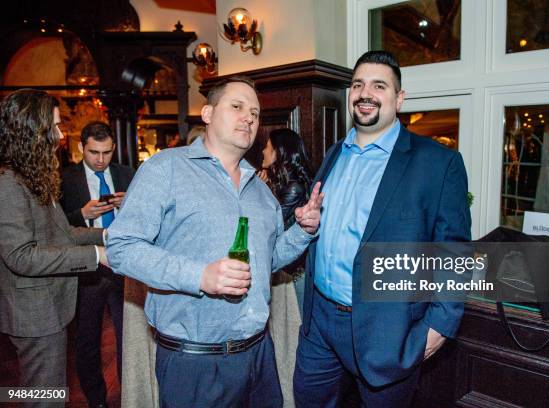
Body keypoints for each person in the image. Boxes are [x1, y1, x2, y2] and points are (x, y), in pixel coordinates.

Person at [106, 76, 323, 407]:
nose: (248, 117)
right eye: (237, 107)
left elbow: (269, 259)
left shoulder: (260, 189)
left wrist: (302, 232)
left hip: (259, 355)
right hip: (194, 363)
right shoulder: (166, 169)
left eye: (254, 112)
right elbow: (121, 248)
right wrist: (200, 276)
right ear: (207, 113)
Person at [293, 51, 471, 407]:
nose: (365, 93)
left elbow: (456, 253)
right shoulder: (334, 154)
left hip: (388, 329)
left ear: (398, 99)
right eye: (358, 84)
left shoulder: (438, 163)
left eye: (379, 85)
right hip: (320, 324)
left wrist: (437, 328)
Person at [0, 89, 107, 397]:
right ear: (32, 130)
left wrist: (106, 236)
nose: (61, 135)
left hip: (49, 307)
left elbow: (62, 233)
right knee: (43, 396)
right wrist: (95, 255)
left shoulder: (32, 176)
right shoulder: (9, 183)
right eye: (56, 127)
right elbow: (22, 257)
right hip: (33, 313)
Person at [60, 121, 134, 408]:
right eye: (93, 152)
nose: (100, 160)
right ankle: (97, 401)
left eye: (106, 152)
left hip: (122, 266)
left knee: (128, 337)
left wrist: (129, 204)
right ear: (81, 148)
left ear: (113, 148)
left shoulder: (127, 175)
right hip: (86, 269)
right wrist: (81, 213)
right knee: (87, 341)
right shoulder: (64, 179)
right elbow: (53, 228)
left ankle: (130, 396)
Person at [259, 128, 312, 406]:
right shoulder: (282, 183)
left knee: (297, 335)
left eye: (267, 147)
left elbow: (268, 227)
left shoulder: (293, 187)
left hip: (295, 276)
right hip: (283, 274)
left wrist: (262, 188)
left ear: (279, 151)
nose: (264, 152)